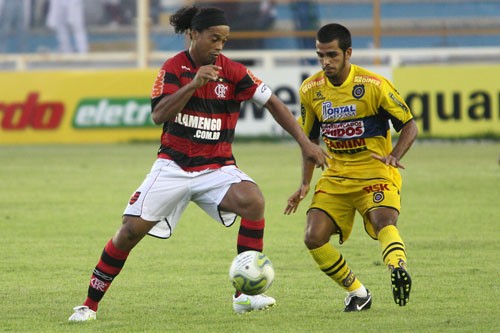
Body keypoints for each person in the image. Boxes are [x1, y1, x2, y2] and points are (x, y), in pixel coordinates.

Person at [68, 5, 328, 321]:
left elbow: (273, 103)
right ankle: (89, 305)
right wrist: (194, 84)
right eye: (214, 38)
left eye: (224, 40)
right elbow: (158, 115)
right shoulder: (173, 69)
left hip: (216, 168)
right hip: (173, 167)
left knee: (253, 201)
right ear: (193, 34)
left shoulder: (233, 71)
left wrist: (305, 143)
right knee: (128, 232)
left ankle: (244, 296)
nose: (219, 46)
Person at [284, 23, 418, 312]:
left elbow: (409, 124)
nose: (325, 62)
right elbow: (308, 141)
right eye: (320, 55)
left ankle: (397, 267)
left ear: (348, 53)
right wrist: (305, 184)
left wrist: (394, 154)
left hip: (375, 171)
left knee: (384, 220)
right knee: (313, 237)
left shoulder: (374, 85)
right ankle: (358, 292)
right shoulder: (310, 90)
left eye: (332, 55)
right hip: (337, 175)